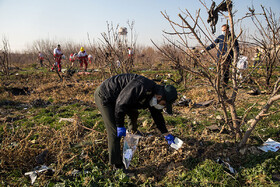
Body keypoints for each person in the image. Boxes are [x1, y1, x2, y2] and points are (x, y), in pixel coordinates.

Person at [94, 74, 178, 170]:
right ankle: (116, 165)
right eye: (164, 104)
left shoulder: (153, 94)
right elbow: (121, 104)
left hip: (121, 99)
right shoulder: (141, 86)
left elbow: (157, 115)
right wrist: (119, 125)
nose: (163, 107)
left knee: (134, 113)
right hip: (105, 96)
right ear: (159, 97)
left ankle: (132, 132)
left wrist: (165, 133)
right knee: (114, 132)